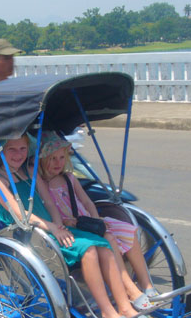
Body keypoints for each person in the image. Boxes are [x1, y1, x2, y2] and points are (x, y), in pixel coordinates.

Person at [0, 134, 162, 318]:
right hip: (28, 234)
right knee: (88, 250)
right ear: (0, 152)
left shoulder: (30, 171)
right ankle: (108, 314)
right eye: (12, 149)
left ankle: (126, 308)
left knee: (104, 247)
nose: (18, 154)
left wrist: (59, 224)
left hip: (53, 229)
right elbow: (19, 213)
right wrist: (51, 228)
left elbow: (50, 203)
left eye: (22, 149)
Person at [38, 131, 160, 306]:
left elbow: (87, 201)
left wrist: (97, 220)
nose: (58, 163)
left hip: (88, 221)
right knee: (109, 238)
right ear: (43, 160)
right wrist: (65, 222)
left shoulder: (69, 177)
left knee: (128, 231)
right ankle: (128, 289)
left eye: (61, 158)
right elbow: (49, 209)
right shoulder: (42, 184)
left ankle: (146, 284)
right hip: (72, 226)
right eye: (53, 159)